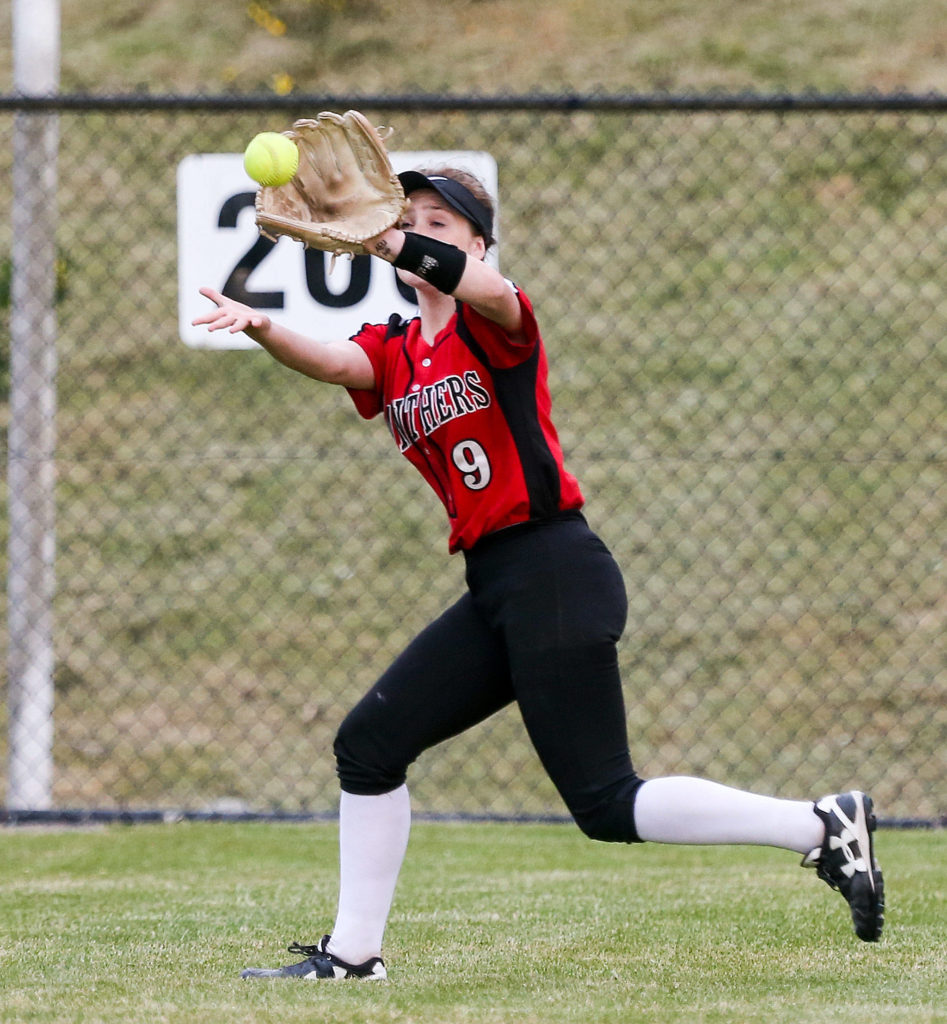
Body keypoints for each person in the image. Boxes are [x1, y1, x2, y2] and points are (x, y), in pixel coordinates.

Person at [193, 167, 884, 980]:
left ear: (479, 246)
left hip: (554, 568)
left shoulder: (497, 323)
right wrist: (262, 327)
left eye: (440, 225)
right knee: (369, 747)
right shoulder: (397, 348)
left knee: (605, 803)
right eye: (409, 219)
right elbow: (335, 363)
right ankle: (351, 956)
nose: (420, 233)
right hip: (498, 587)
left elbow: (490, 294)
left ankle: (819, 826)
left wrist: (387, 235)